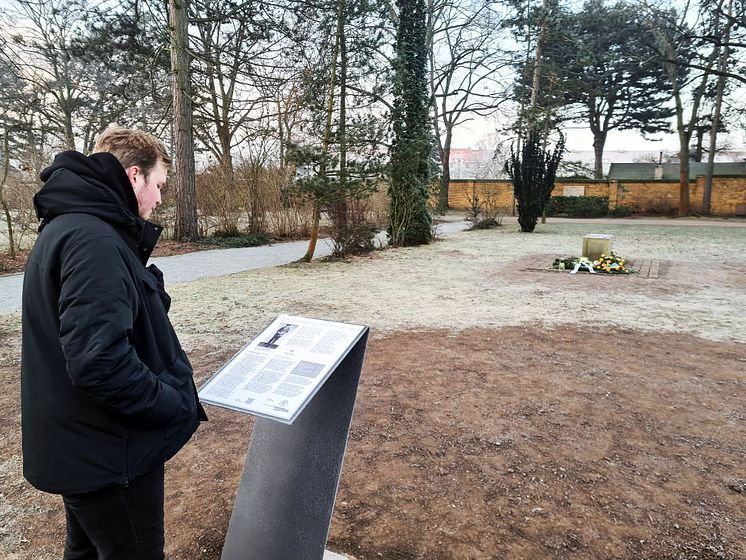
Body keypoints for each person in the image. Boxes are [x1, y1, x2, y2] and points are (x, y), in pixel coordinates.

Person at [21, 126, 207, 559]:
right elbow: (99, 361)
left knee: (85, 551)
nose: (159, 199)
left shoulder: (70, 226)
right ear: (135, 176)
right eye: (158, 185)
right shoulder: (92, 240)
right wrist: (170, 404)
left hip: (84, 447)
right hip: (109, 455)